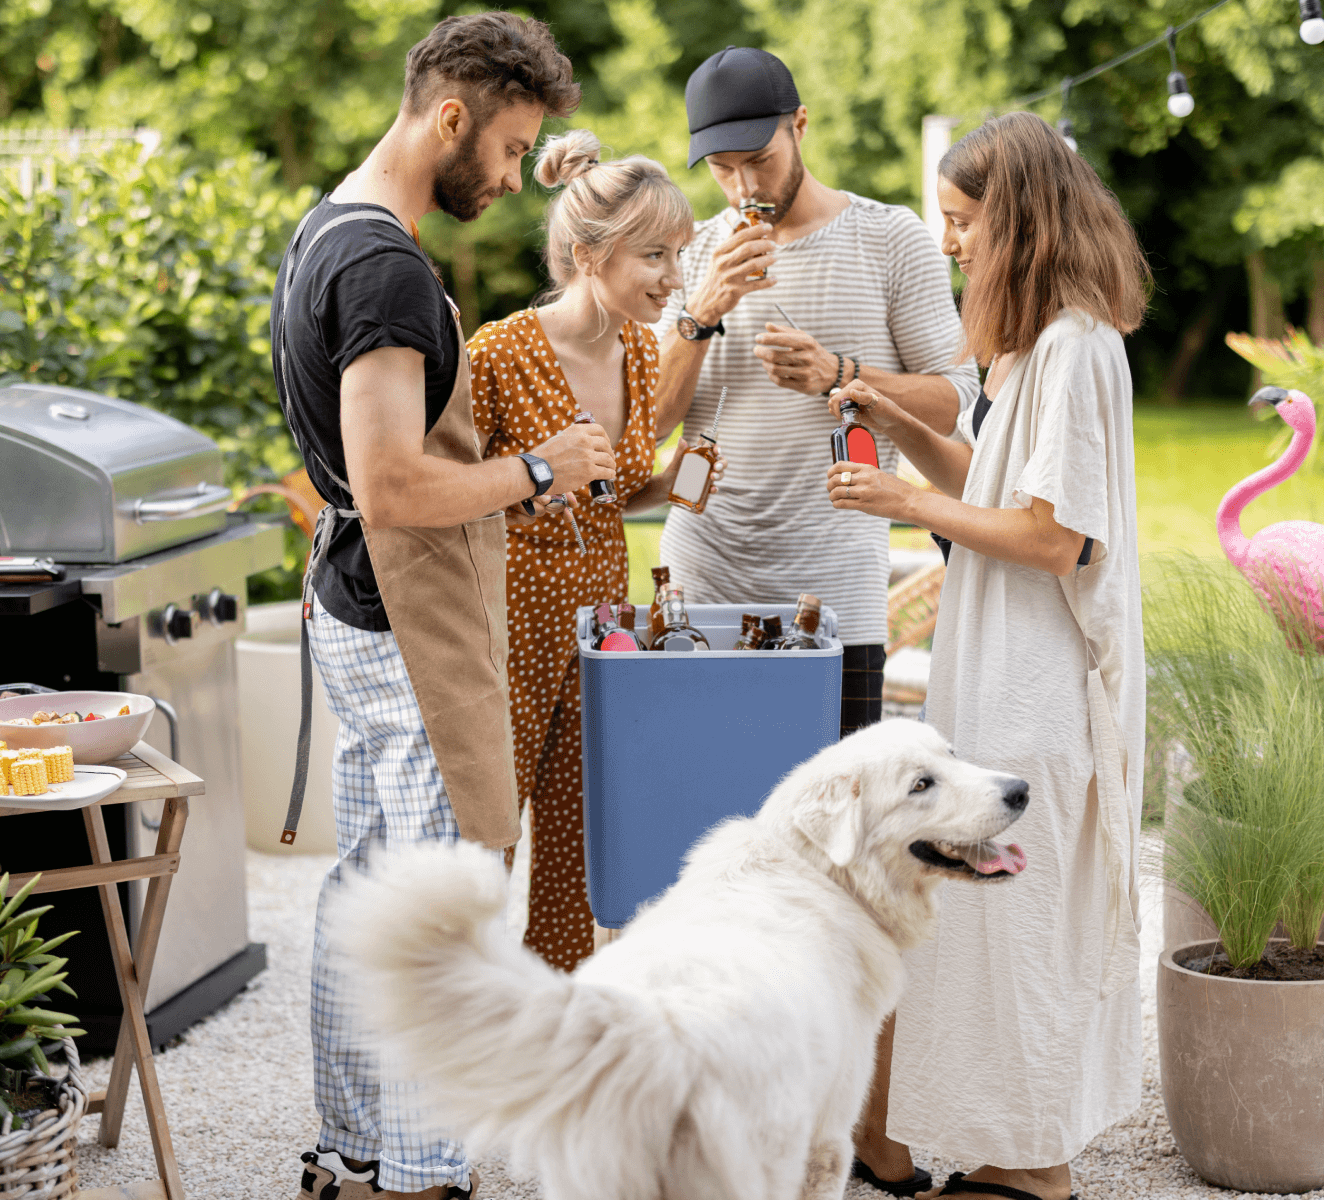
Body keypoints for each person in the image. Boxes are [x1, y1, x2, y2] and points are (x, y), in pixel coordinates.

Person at [268, 14, 605, 1200]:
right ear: (451, 116)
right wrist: (542, 468)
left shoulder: (330, 226)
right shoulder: (386, 269)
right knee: (438, 907)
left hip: (355, 606)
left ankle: (355, 1154)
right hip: (404, 619)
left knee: (369, 887)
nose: (514, 178)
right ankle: (420, 1177)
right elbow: (394, 484)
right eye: (511, 149)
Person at [826, 111, 1149, 1200]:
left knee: (1022, 932)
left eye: (963, 222)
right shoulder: (1036, 348)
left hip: (1039, 688)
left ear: (1016, 220)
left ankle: (1033, 1170)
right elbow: (995, 491)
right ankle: (1006, 1153)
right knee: (993, 930)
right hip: (1001, 678)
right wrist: (888, 411)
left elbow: (1058, 535)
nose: (951, 242)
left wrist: (903, 498)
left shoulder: (1076, 347)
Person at [650, 46, 979, 737]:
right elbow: (649, 427)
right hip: (701, 583)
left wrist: (840, 373)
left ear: (799, 124)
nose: (742, 187)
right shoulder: (690, 256)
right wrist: (702, 310)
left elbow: (955, 397)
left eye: (759, 161)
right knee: (706, 808)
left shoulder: (890, 238)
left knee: (836, 822)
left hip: (834, 593)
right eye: (721, 169)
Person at [469, 130, 719, 973]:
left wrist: (672, 481)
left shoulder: (642, 356)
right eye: (655, 254)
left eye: (678, 255)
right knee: (485, 840)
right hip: (506, 632)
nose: (673, 278)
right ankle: (463, 1028)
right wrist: (537, 474)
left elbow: (611, 493)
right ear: (587, 255)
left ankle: (558, 1023)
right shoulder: (499, 353)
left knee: (580, 842)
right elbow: (454, 497)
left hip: (602, 628)